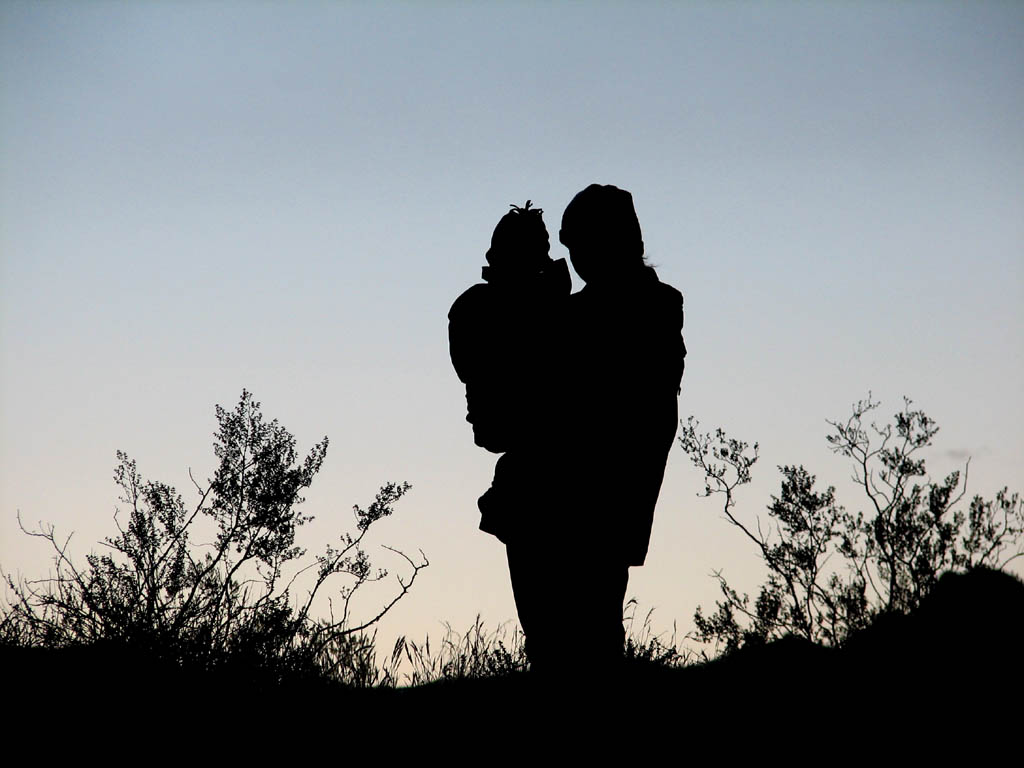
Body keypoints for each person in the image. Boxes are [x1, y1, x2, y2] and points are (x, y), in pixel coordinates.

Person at [503, 184, 687, 674]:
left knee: (578, 635)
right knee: (579, 632)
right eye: (570, 247)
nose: (577, 258)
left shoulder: (639, 309)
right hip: (582, 495)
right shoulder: (638, 306)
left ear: (614, 242)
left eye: (582, 245)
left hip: (591, 495)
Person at [448, 201, 571, 543]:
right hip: (531, 478)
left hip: (548, 473)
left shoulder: (550, 303)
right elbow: (484, 369)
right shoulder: (476, 308)